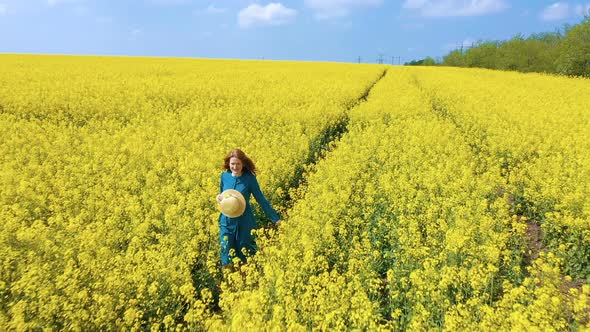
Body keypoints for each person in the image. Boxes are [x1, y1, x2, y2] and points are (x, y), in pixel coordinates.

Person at [217, 148, 280, 266]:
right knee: (226, 250)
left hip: (244, 221)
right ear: (228, 164)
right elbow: (222, 195)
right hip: (226, 221)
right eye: (232, 164)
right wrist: (219, 198)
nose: (235, 167)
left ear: (243, 164)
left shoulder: (249, 179)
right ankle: (229, 279)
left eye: (238, 164)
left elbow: (261, 199)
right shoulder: (224, 176)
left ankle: (246, 280)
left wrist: (275, 218)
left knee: (245, 252)